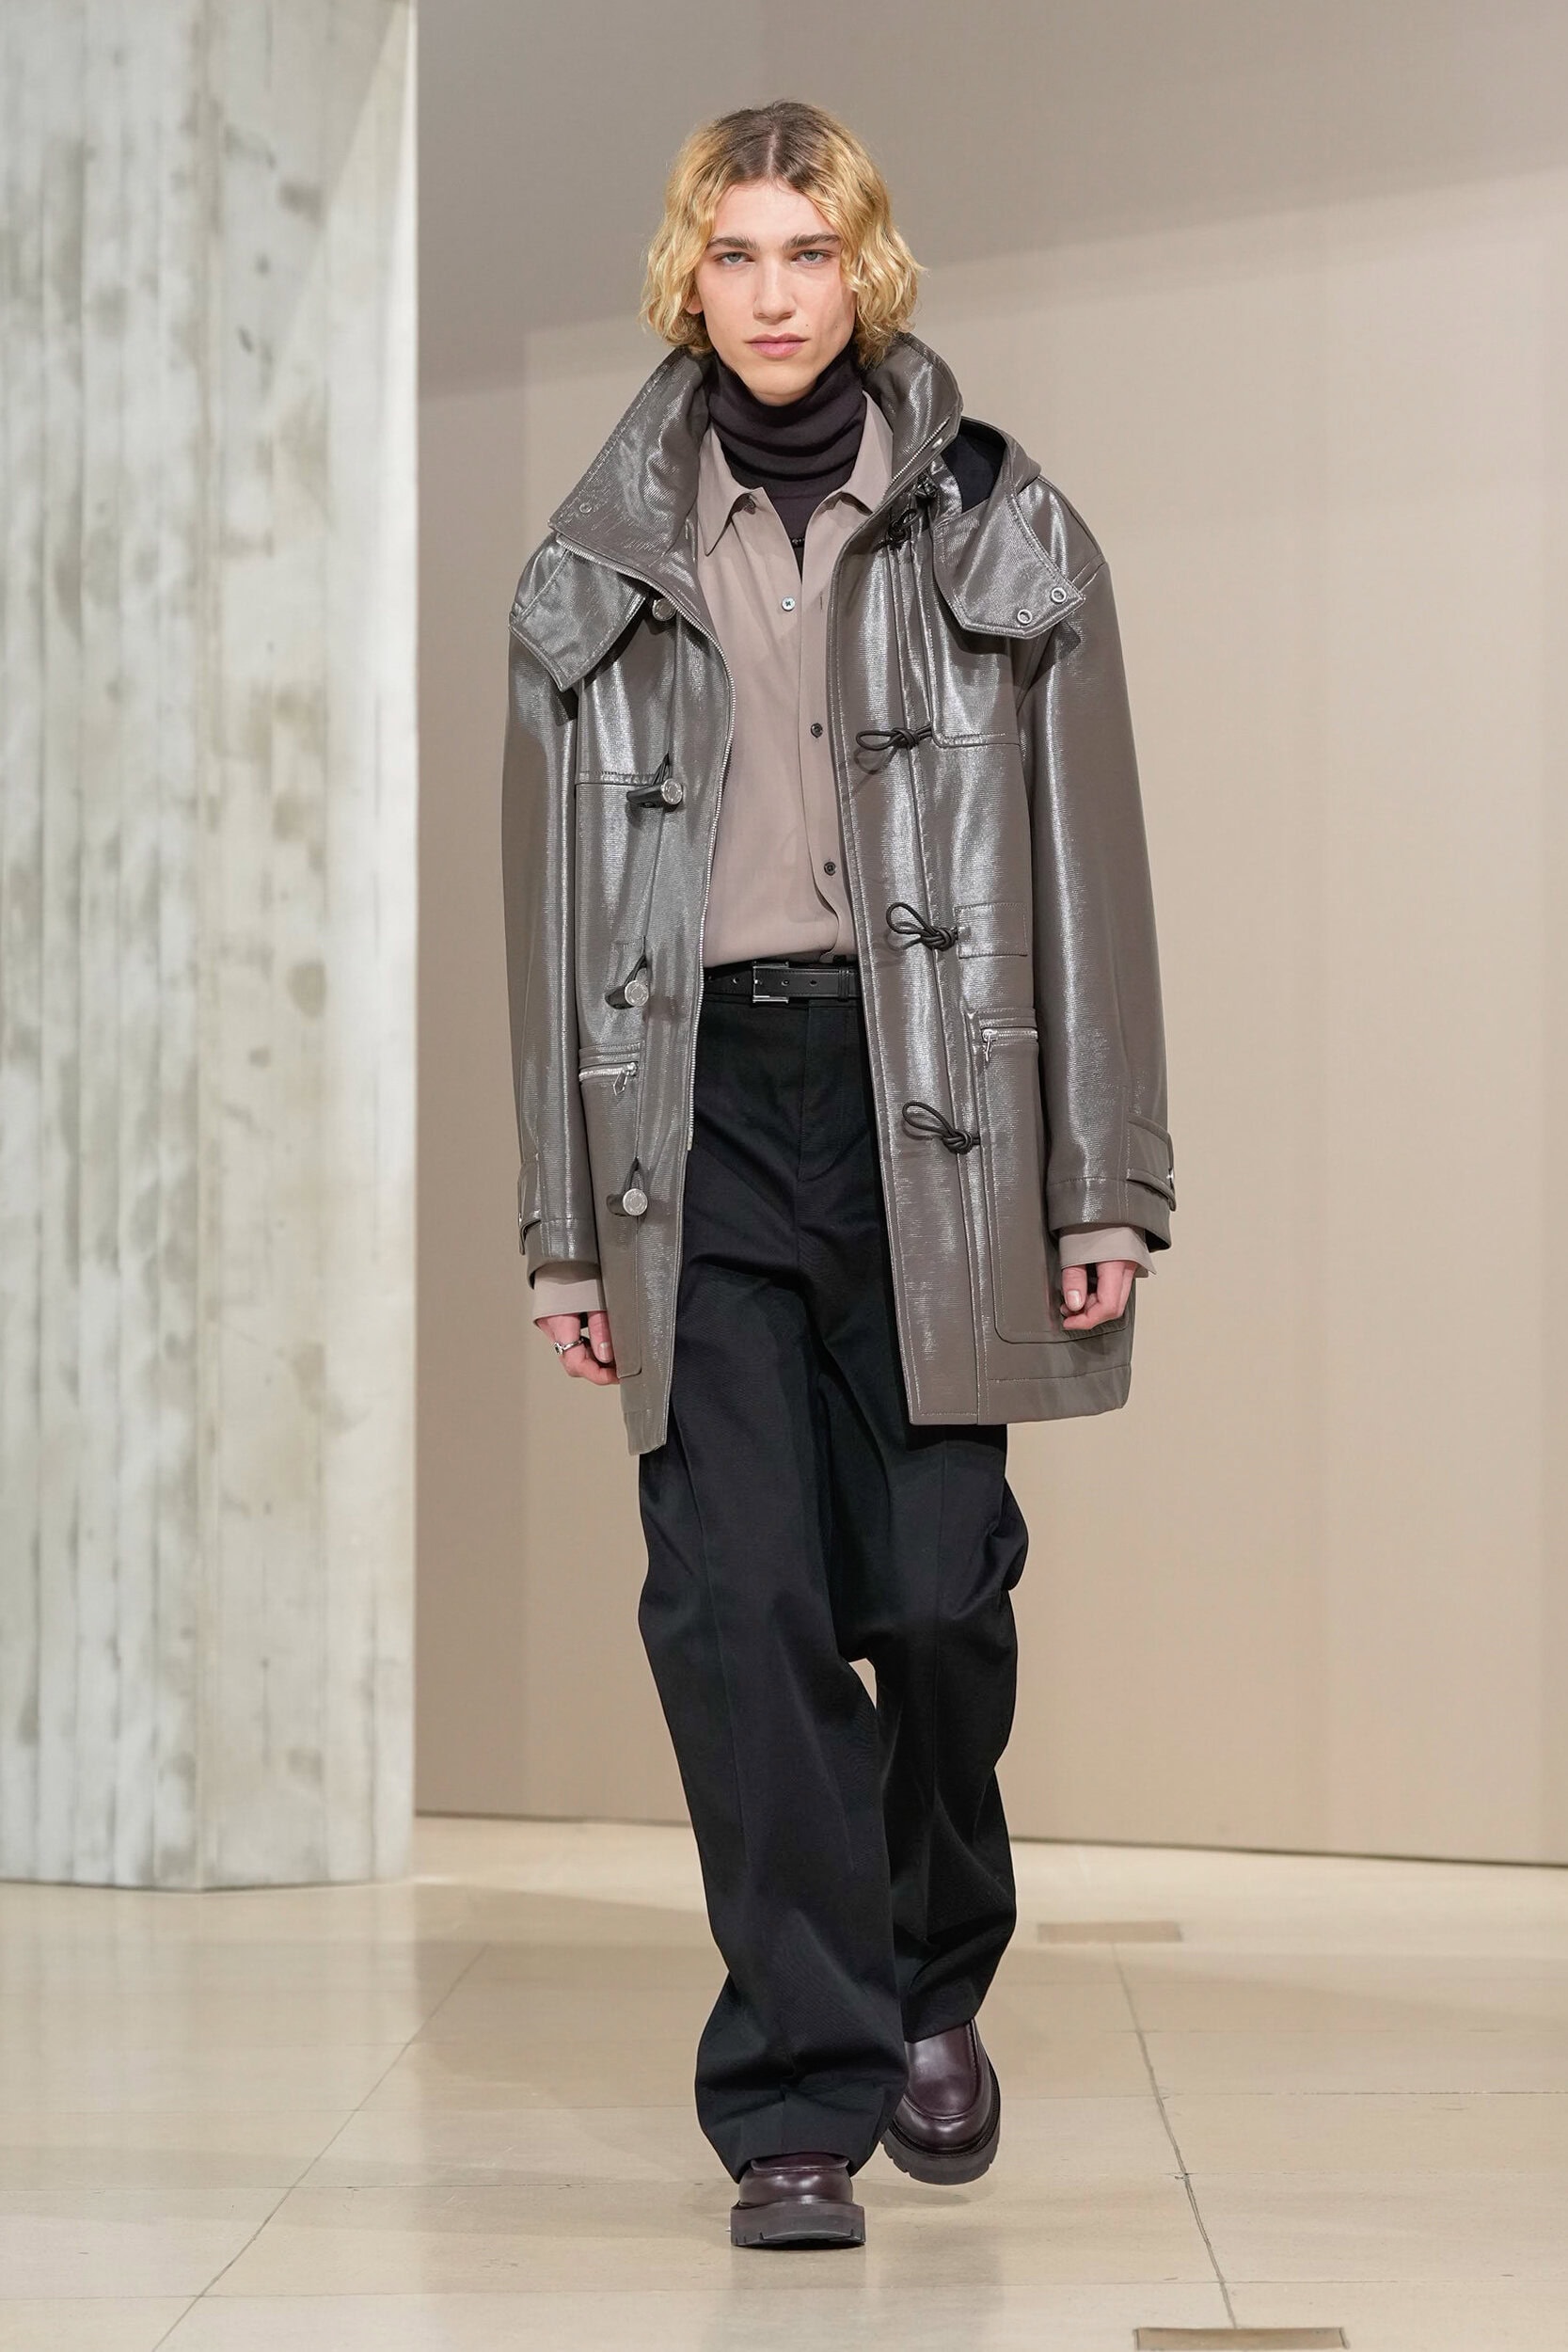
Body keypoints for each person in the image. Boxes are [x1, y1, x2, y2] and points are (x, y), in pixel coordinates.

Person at [501, 98, 1175, 2250]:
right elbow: (546, 918)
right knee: (738, 1609)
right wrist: (561, 1221)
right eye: (736, 254)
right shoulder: (594, 560)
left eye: (808, 251)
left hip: (934, 1122)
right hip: (696, 1120)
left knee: (935, 1595)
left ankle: (926, 1965)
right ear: (686, 277)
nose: (773, 294)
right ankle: (797, 2088)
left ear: (863, 266)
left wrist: (1103, 1174)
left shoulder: (1002, 521)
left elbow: (1087, 858)